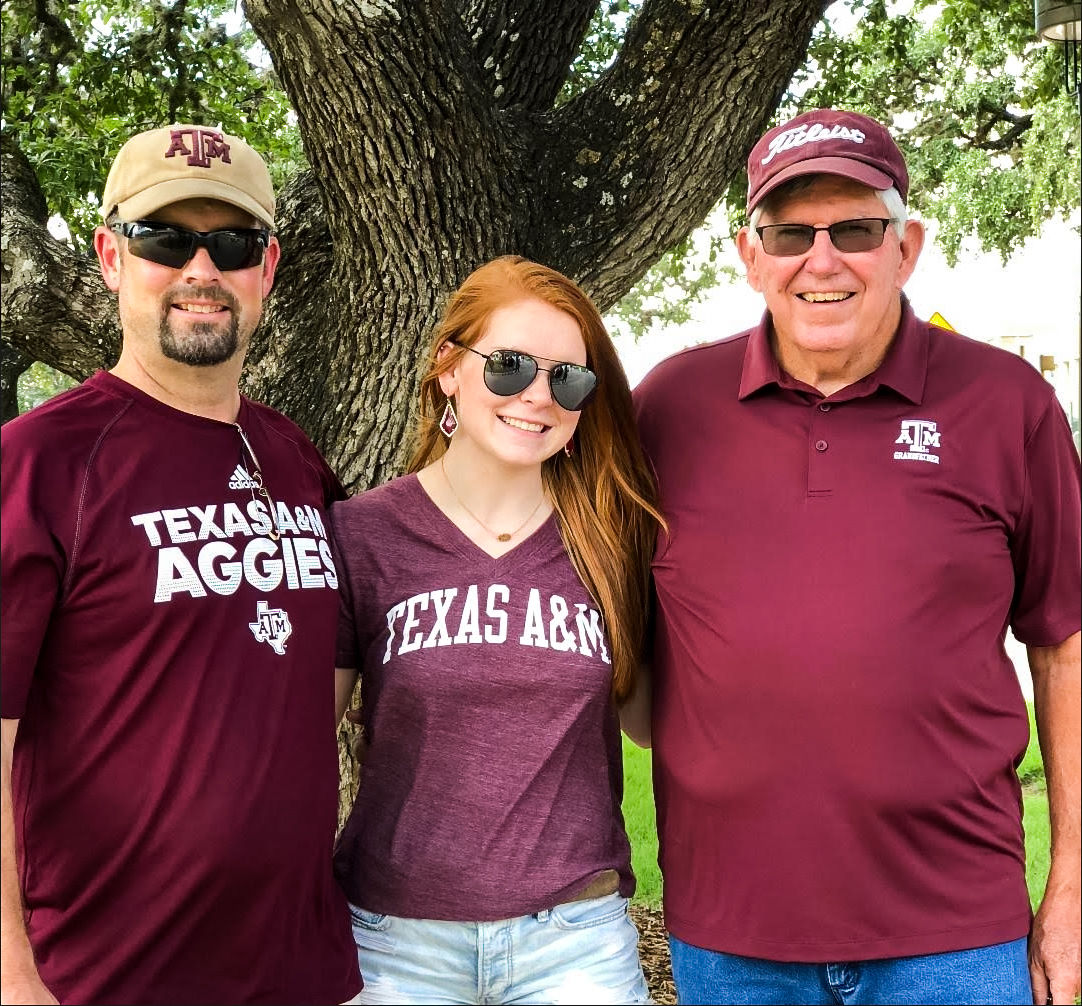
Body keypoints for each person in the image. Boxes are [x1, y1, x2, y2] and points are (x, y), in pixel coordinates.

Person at [634, 108, 1081, 1006]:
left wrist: (1072, 885)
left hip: (955, 936)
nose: (822, 259)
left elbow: (1065, 642)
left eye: (858, 230)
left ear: (907, 246)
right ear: (749, 254)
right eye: (790, 233)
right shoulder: (669, 408)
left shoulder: (1008, 405)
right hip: (732, 937)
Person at [1, 124, 361, 1005]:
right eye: (166, 238)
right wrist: (13, 979)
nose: (203, 269)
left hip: (305, 971)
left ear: (267, 266)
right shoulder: (38, 462)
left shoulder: (296, 458)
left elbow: (324, 679)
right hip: (106, 976)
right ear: (111, 256)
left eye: (232, 243)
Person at [329, 255, 662, 1005]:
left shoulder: (613, 542)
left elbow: (652, 724)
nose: (537, 397)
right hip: (393, 941)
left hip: (575, 942)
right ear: (449, 366)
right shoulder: (360, 537)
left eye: (568, 379)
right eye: (508, 367)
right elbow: (296, 743)